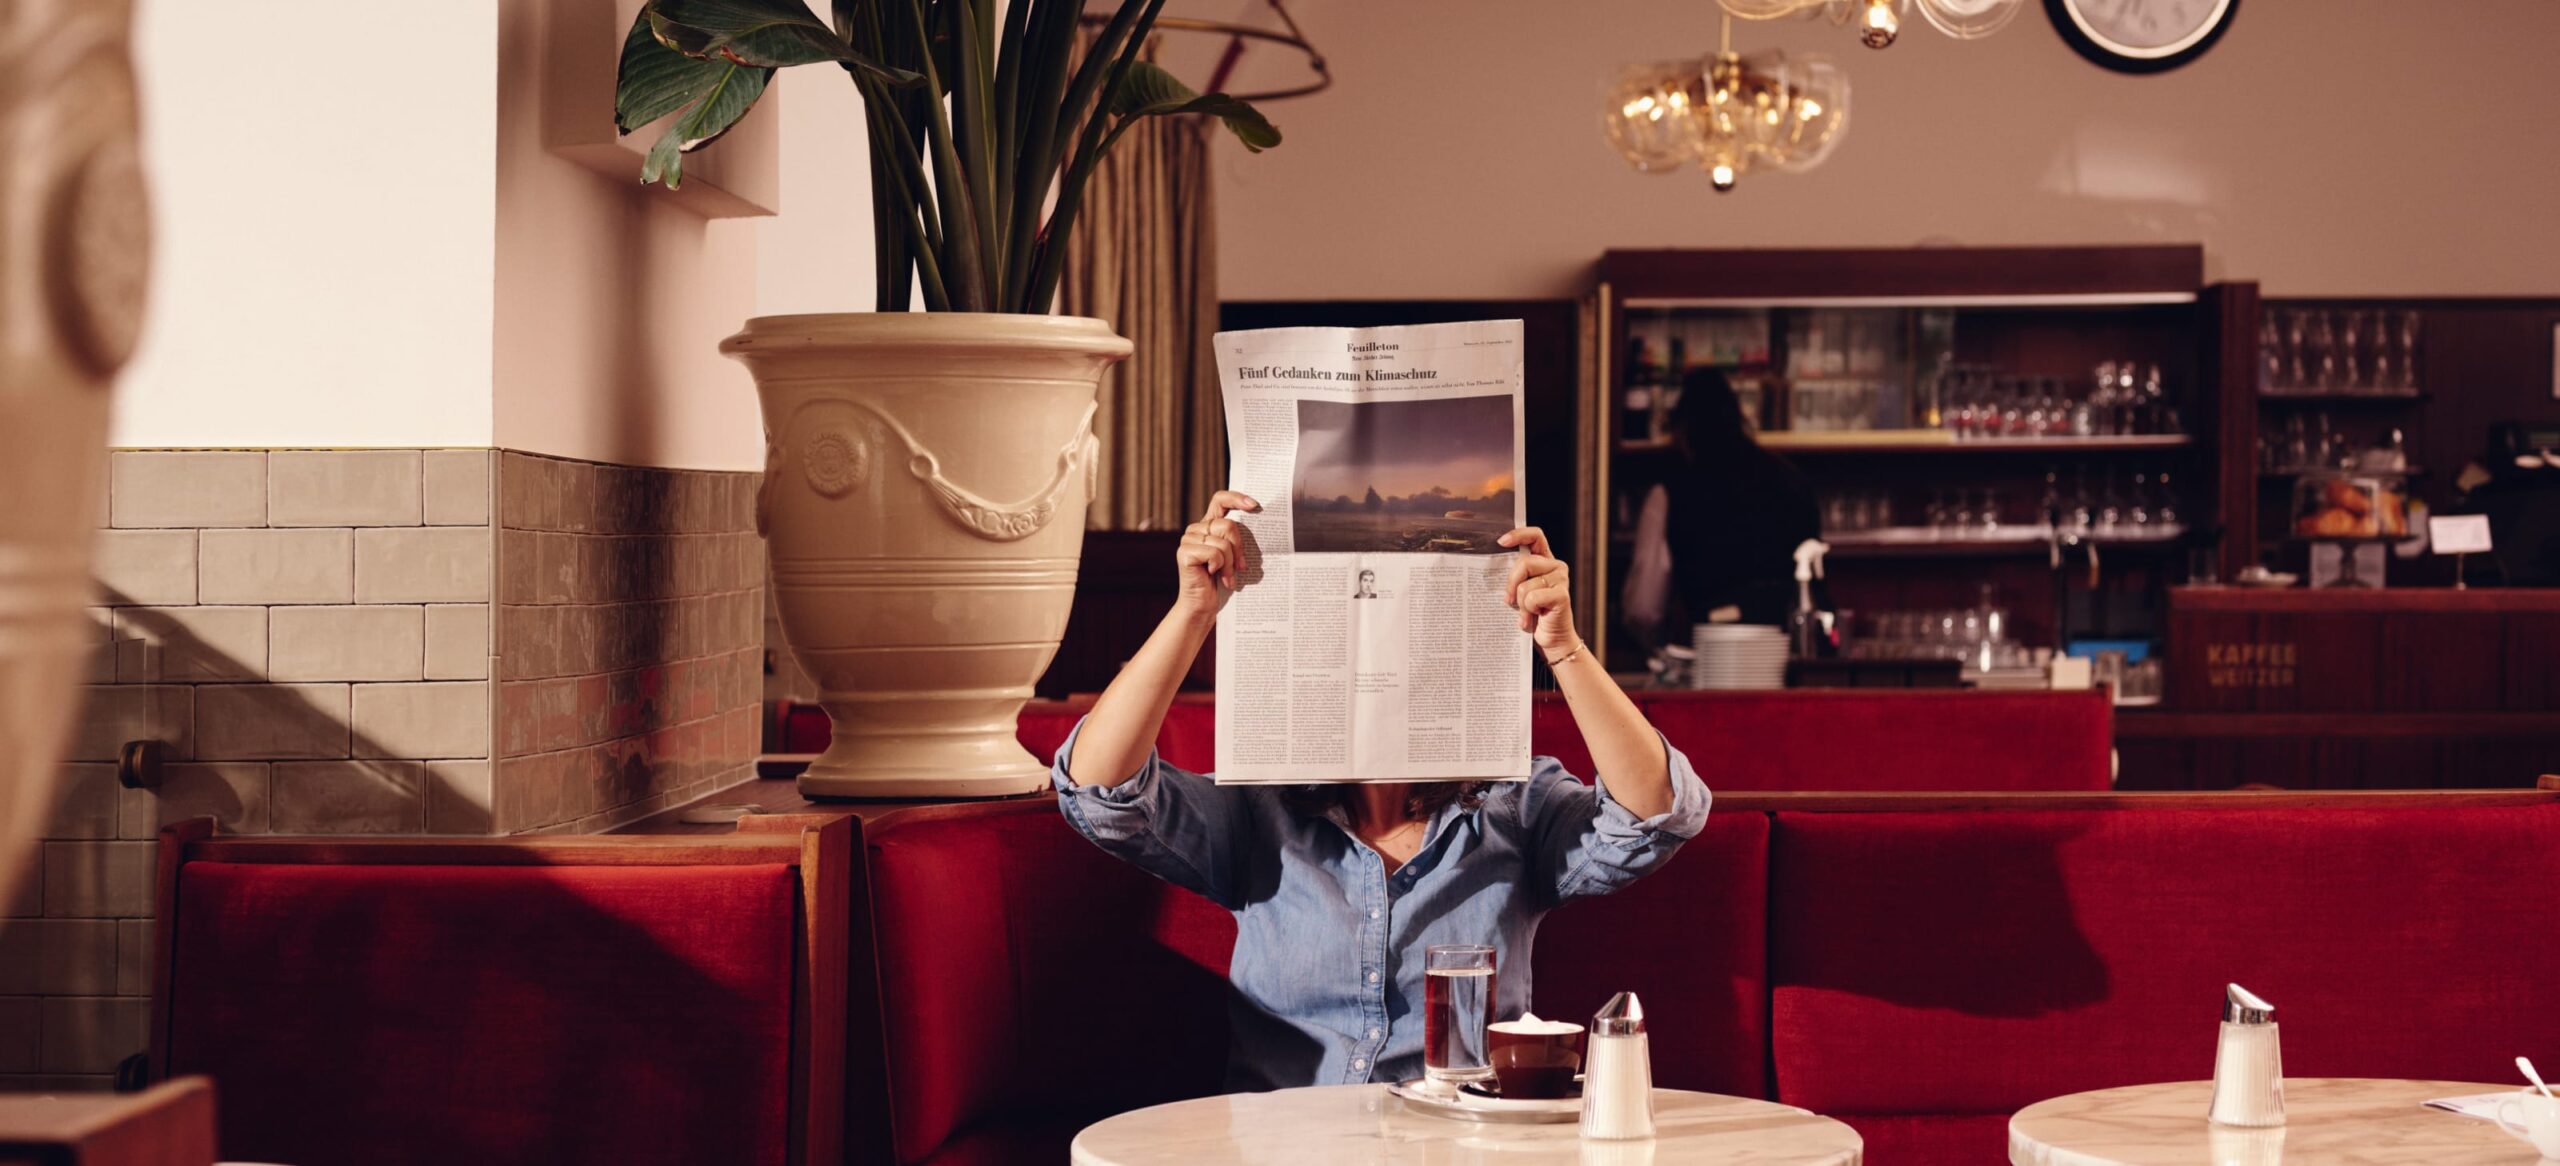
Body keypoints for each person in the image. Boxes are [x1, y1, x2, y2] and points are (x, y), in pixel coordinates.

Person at [1055, 490, 1711, 1090]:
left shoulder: (1519, 804)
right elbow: (1099, 791)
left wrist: (1563, 646)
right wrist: (1193, 611)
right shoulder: (1259, 807)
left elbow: (1653, 816)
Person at [1620, 368, 1821, 643]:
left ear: (1682, 429)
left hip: (1712, 651)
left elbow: (1644, 609)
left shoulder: (1672, 490)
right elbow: (1816, 577)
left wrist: (1658, 649)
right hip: (1792, 648)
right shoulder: (1789, 478)